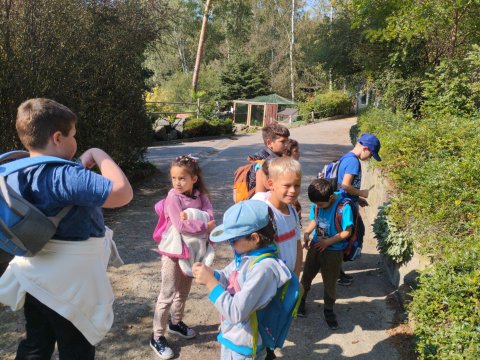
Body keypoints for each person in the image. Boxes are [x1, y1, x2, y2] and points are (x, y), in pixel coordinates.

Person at [0, 98, 133, 359]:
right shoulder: (65, 176)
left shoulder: (12, 169)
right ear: (58, 137)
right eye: (74, 134)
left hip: (33, 275)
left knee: (36, 342)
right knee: (76, 347)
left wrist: (77, 165)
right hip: (70, 284)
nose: (76, 140)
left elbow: (51, 196)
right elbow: (122, 193)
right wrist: (97, 153)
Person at [192, 200, 292, 360]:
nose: (229, 244)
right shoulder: (247, 256)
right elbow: (227, 275)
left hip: (245, 348)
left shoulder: (263, 269)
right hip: (233, 338)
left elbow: (235, 312)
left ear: (254, 238)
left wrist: (211, 283)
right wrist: (212, 274)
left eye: (233, 240)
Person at [150, 155, 216, 359]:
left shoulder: (201, 197)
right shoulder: (173, 197)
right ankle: (157, 336)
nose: (177, 183)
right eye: (173, 178)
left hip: (194, 249)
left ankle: (176, 322)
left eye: (182, 178)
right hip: (174, 250)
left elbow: (211, 217)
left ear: (194, 178)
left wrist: (203, 222)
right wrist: (203, 225)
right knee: (167, 293)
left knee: (184, 291)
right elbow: (180, 225)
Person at [298, 179, 354, 330]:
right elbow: (314, 220)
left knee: (330, 282)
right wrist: (307, 232)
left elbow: (347, 232)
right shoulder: (318, 201)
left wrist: (328, 242)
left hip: (333, 251)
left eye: (321, 205)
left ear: (330, 198)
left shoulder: (343, 207)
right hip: (316, 246)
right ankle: (301, 302)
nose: (318, 207)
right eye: (315, 204)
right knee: (307, 276)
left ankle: (328, 310)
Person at [336, 133, 381, 286]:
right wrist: (361, 193)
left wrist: (358, 199)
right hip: (345, 206)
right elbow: (345, 185)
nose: (369, 158)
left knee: (351, 236)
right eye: (370, 154)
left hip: (346, 203)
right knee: (350, 237)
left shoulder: (347, 158)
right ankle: (335, 270)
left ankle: (336, 270)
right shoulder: (353, 162)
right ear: (365, 148)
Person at [252, 157, 302, 278]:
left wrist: (295, 277)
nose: (293, 190)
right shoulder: (262, 213)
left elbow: (298, 246)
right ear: (271, 184)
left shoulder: (292, 211)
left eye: (297, 185)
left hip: (288, 280)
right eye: (287, 185)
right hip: (268, 283)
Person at [251, 123, 290, 194]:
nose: (287, 144)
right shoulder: (263, 164)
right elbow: (260, 197)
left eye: (287, 141)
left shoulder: (277, 157)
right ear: (269, 143)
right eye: (283, 141)